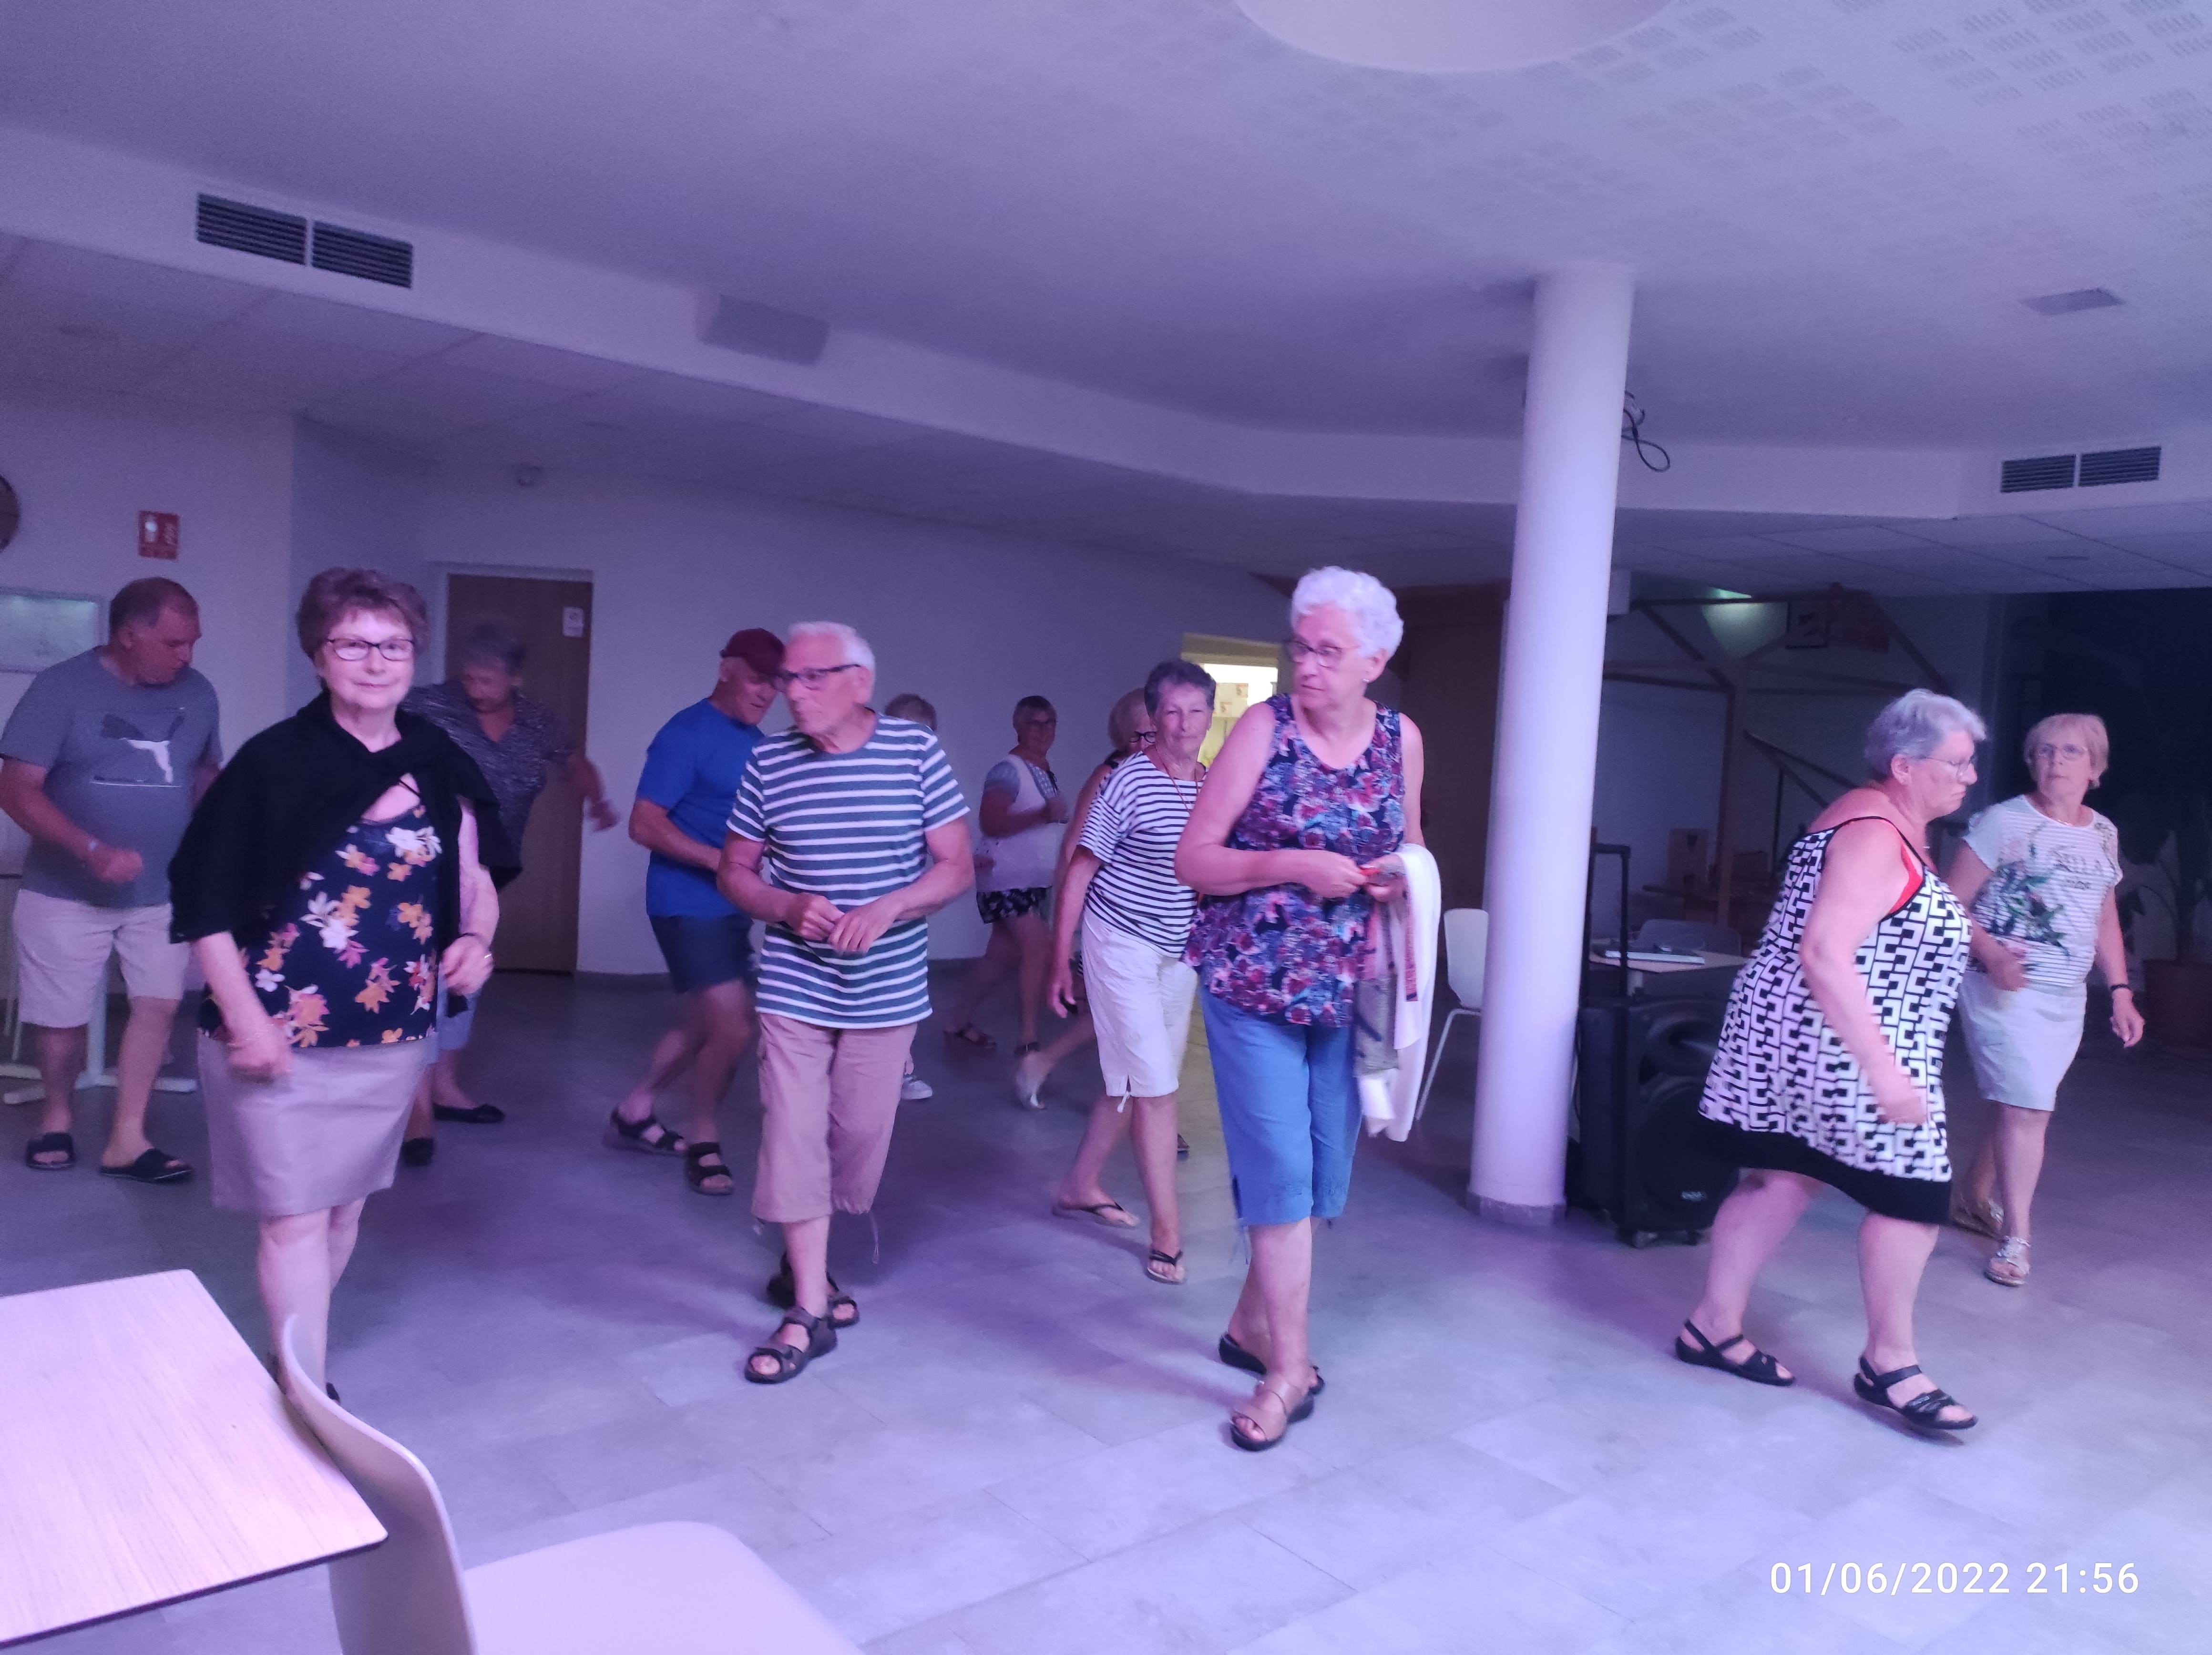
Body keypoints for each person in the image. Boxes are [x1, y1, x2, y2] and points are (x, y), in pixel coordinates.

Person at [170, 568, 507, 1392]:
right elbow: (205, 905)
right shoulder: (273, 763)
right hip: (276, 1032)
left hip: (391, 1036)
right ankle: (304, 1389)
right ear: (318, 657)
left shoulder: (436, 760)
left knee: (344, 1210)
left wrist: (477, 938)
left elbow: (474, 876)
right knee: (295, 1218)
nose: (376, 661)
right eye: (352, 644)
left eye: (394, 645)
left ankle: (297, 1361)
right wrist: (246, 1019)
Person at [1682, 688, 1983, 1433]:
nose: (1970, 777)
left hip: (1798, 1035)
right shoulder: (1875, 832)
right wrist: (1883, 1069)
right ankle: (1890, 1363)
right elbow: (1825, 950)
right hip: (1845, 1045)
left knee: (1784, 1175)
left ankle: (1712, 1326)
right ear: (1905, 766)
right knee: (1912, 1196)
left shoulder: (1870, 818)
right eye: (1958, 763)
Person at [1178, 568, 1423, 1451]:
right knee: (1281, 1171)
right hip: (1253, 986)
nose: (1306, 666)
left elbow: (1413, 846)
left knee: (1321, 1176)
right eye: (1300, 648)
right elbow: (1195, 859)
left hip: (1353, 992)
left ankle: (1250, 1325)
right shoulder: (1263, 729)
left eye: (1327, 652)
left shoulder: (1401, 738)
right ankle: (1288, 1368)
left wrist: (1398, 877)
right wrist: (1293, 863)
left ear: (1374, 661)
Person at [719, 623, 972, 1384]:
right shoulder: (769, 761)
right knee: (792, 1131)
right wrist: (786, 907)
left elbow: (955, 867)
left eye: (811, 677)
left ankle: (808, 1257)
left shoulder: (915, 752)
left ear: (860, 681)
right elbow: (735, 871)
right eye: (787, 679)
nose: (792, 693)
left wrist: (890, 908)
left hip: (886, 990)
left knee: (857, 1138)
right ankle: (808, 1307)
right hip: (794, 983)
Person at [3, 577, 221, 1182]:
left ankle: (128, 1136)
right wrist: (90, 849)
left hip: (161, 891)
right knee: (62, 1018)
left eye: (192, 643)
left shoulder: (199, 693)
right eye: (174, 644)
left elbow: (204, 773)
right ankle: (56, 1117)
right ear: (129, 636)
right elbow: (15, 789)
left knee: (158, 1005)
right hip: (65, 890)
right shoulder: (60, 689)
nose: (187, 656)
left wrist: (224, 833)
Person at [397, 621, 618, 1163]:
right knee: (428, 973)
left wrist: (597, 801)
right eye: (470, 676)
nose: (476, 688)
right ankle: (416, 1108)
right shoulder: (430, 706)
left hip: (493, 864)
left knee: (465, 971)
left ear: (515, 678)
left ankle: (443, 1086)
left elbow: (573, 764)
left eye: (488, 680)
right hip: (430, 860)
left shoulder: (537, 722)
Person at [1946, 713, 2142, 1287]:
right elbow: (1948, 902)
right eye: (2044, 751)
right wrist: (1992, 954)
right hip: (2000, 987)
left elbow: (2103, 916)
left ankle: (1972, 1195)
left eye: (2070, 752)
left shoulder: (2101, 832)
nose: (2055, 761)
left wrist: (2120, 990)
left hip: (2064, 994)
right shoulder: (2002, 822)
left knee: (2019, 1098)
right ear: (2031, 761)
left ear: (2095, 768)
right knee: (2028, 1107)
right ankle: (2016, 1240)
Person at [1048, 662, 1214, 1284]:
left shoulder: (1211, 783)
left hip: (1177, 949)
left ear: (1209, 716)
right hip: (1118, 941)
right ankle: (1167, 1235)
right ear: (1153, 718)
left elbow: (1210, 872)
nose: (1184, 724)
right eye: (1171, 712)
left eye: (1196, 711)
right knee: (1156, 1089)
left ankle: (1080, 1184)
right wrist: (1061, 957)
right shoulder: (1127, 781)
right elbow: (1080, 868)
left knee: (1132, 1078)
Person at [608, 628, 784, 1196]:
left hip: (730, 904)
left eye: (775, 683)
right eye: (756, 679)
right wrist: (719, 862)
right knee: (733, 1024)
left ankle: (635, 1110)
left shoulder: (757, 743)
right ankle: (704, 1136)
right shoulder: (685, 734)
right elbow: (644, 824)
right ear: (726, 668)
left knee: (701, 1023)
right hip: (684, 901)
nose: (766, 692)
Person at [1013, 688, 1150, 1111]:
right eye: (1142, 734)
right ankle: (1149, 1113)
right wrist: (1066, 935)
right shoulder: (1110, 777)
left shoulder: (1169, 776)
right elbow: (1073, 854)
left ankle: (1045, 1065)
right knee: (1131, 1016)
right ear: (1127, 737)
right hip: (1115, 918)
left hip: (1154, 921)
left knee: (1129, 1017)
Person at [940, 695, 1066, 1060]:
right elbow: (991, 822)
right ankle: (1028, 1039)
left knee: (1000, 956)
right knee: (1038, 947)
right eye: (1034, 724)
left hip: (1031, 881)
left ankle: (957, 1019)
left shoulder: (1044, 770)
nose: (1043, 731)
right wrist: (1042, 815)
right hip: (1005, 879)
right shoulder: (1007, 771)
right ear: (1018, 727)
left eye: (1049, 723)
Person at [883, 693, 941, 1103]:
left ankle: (901, 1069)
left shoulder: (925, 784)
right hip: (865, 909)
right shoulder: (871, 780)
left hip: (905, 912)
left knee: (903, 991)